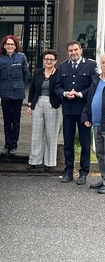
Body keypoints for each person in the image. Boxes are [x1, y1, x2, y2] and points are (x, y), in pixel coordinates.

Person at [54, 40, 97, 184]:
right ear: (68, 52)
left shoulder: (91, 65)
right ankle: (68, 170)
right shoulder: (63, 66)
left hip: (84, 110)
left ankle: (83, 172)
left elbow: (93, 87)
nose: (73, 53)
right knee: (68, 141)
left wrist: (79, 94)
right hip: (68, 110)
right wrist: (65, 93)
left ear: (81, 50)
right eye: (71, 51)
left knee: (85, 143)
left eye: (76, 50)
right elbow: (57, 87)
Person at [27, 50, 62, 171]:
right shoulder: (37, 72)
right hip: (38, 103)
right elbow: (32, 88)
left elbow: (61, 89)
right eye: (46, 59)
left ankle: (49, 162)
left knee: (51, 134)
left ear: (55, 61)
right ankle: (34, 161)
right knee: (36, 133)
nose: (48, 61)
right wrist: (30, 104)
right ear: (44, 60)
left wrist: (57, 103)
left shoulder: (59, 74)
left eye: (51, 59)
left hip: (52, 104)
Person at [0, 35, 29, 156]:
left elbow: (26, 75)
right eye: (7, 44)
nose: (10, 46)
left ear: (15, 46)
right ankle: (6, 145)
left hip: (17, 94)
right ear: (4, 46)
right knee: (6, 121)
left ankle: (14, 145)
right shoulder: (0, 60)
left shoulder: (21, 58)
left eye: (12, 44)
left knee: (16, 121)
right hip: (5, 93)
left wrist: (20, 86)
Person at [81, 53, 105, 193]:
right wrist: (86, 116)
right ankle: (103, 178)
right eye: (103, 62)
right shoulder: (96, 80)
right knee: (100, 154)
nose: (104, 64)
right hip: (96, 124)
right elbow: (89, 100)